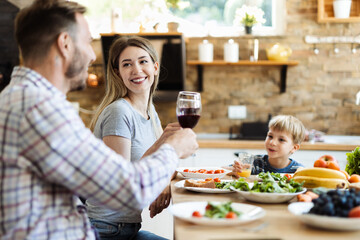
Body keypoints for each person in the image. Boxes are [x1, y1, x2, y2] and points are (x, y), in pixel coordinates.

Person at [0, 1, 198, 239]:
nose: (93, 54)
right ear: (65, 44)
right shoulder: (39, 108)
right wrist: (173, 148)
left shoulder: (21, 97)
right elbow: (127, 189)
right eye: (87, 42)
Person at [86, 36, 175, 240]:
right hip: (105, 229)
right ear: (117, 73)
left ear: (155, 67)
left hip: (127, 229)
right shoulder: (119, 112)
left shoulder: (149, 111)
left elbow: (164, 160)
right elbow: (122, 182)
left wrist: (166, 184)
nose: (136, 70)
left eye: (143, 61)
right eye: (127, 64)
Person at [231, 115, 305, 176]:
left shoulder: (299, 171)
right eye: (270, 136)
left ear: (294, 148)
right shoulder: (255, 163)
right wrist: (235, 170)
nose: (272, 142)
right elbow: (222, 169)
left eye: (281, 140)